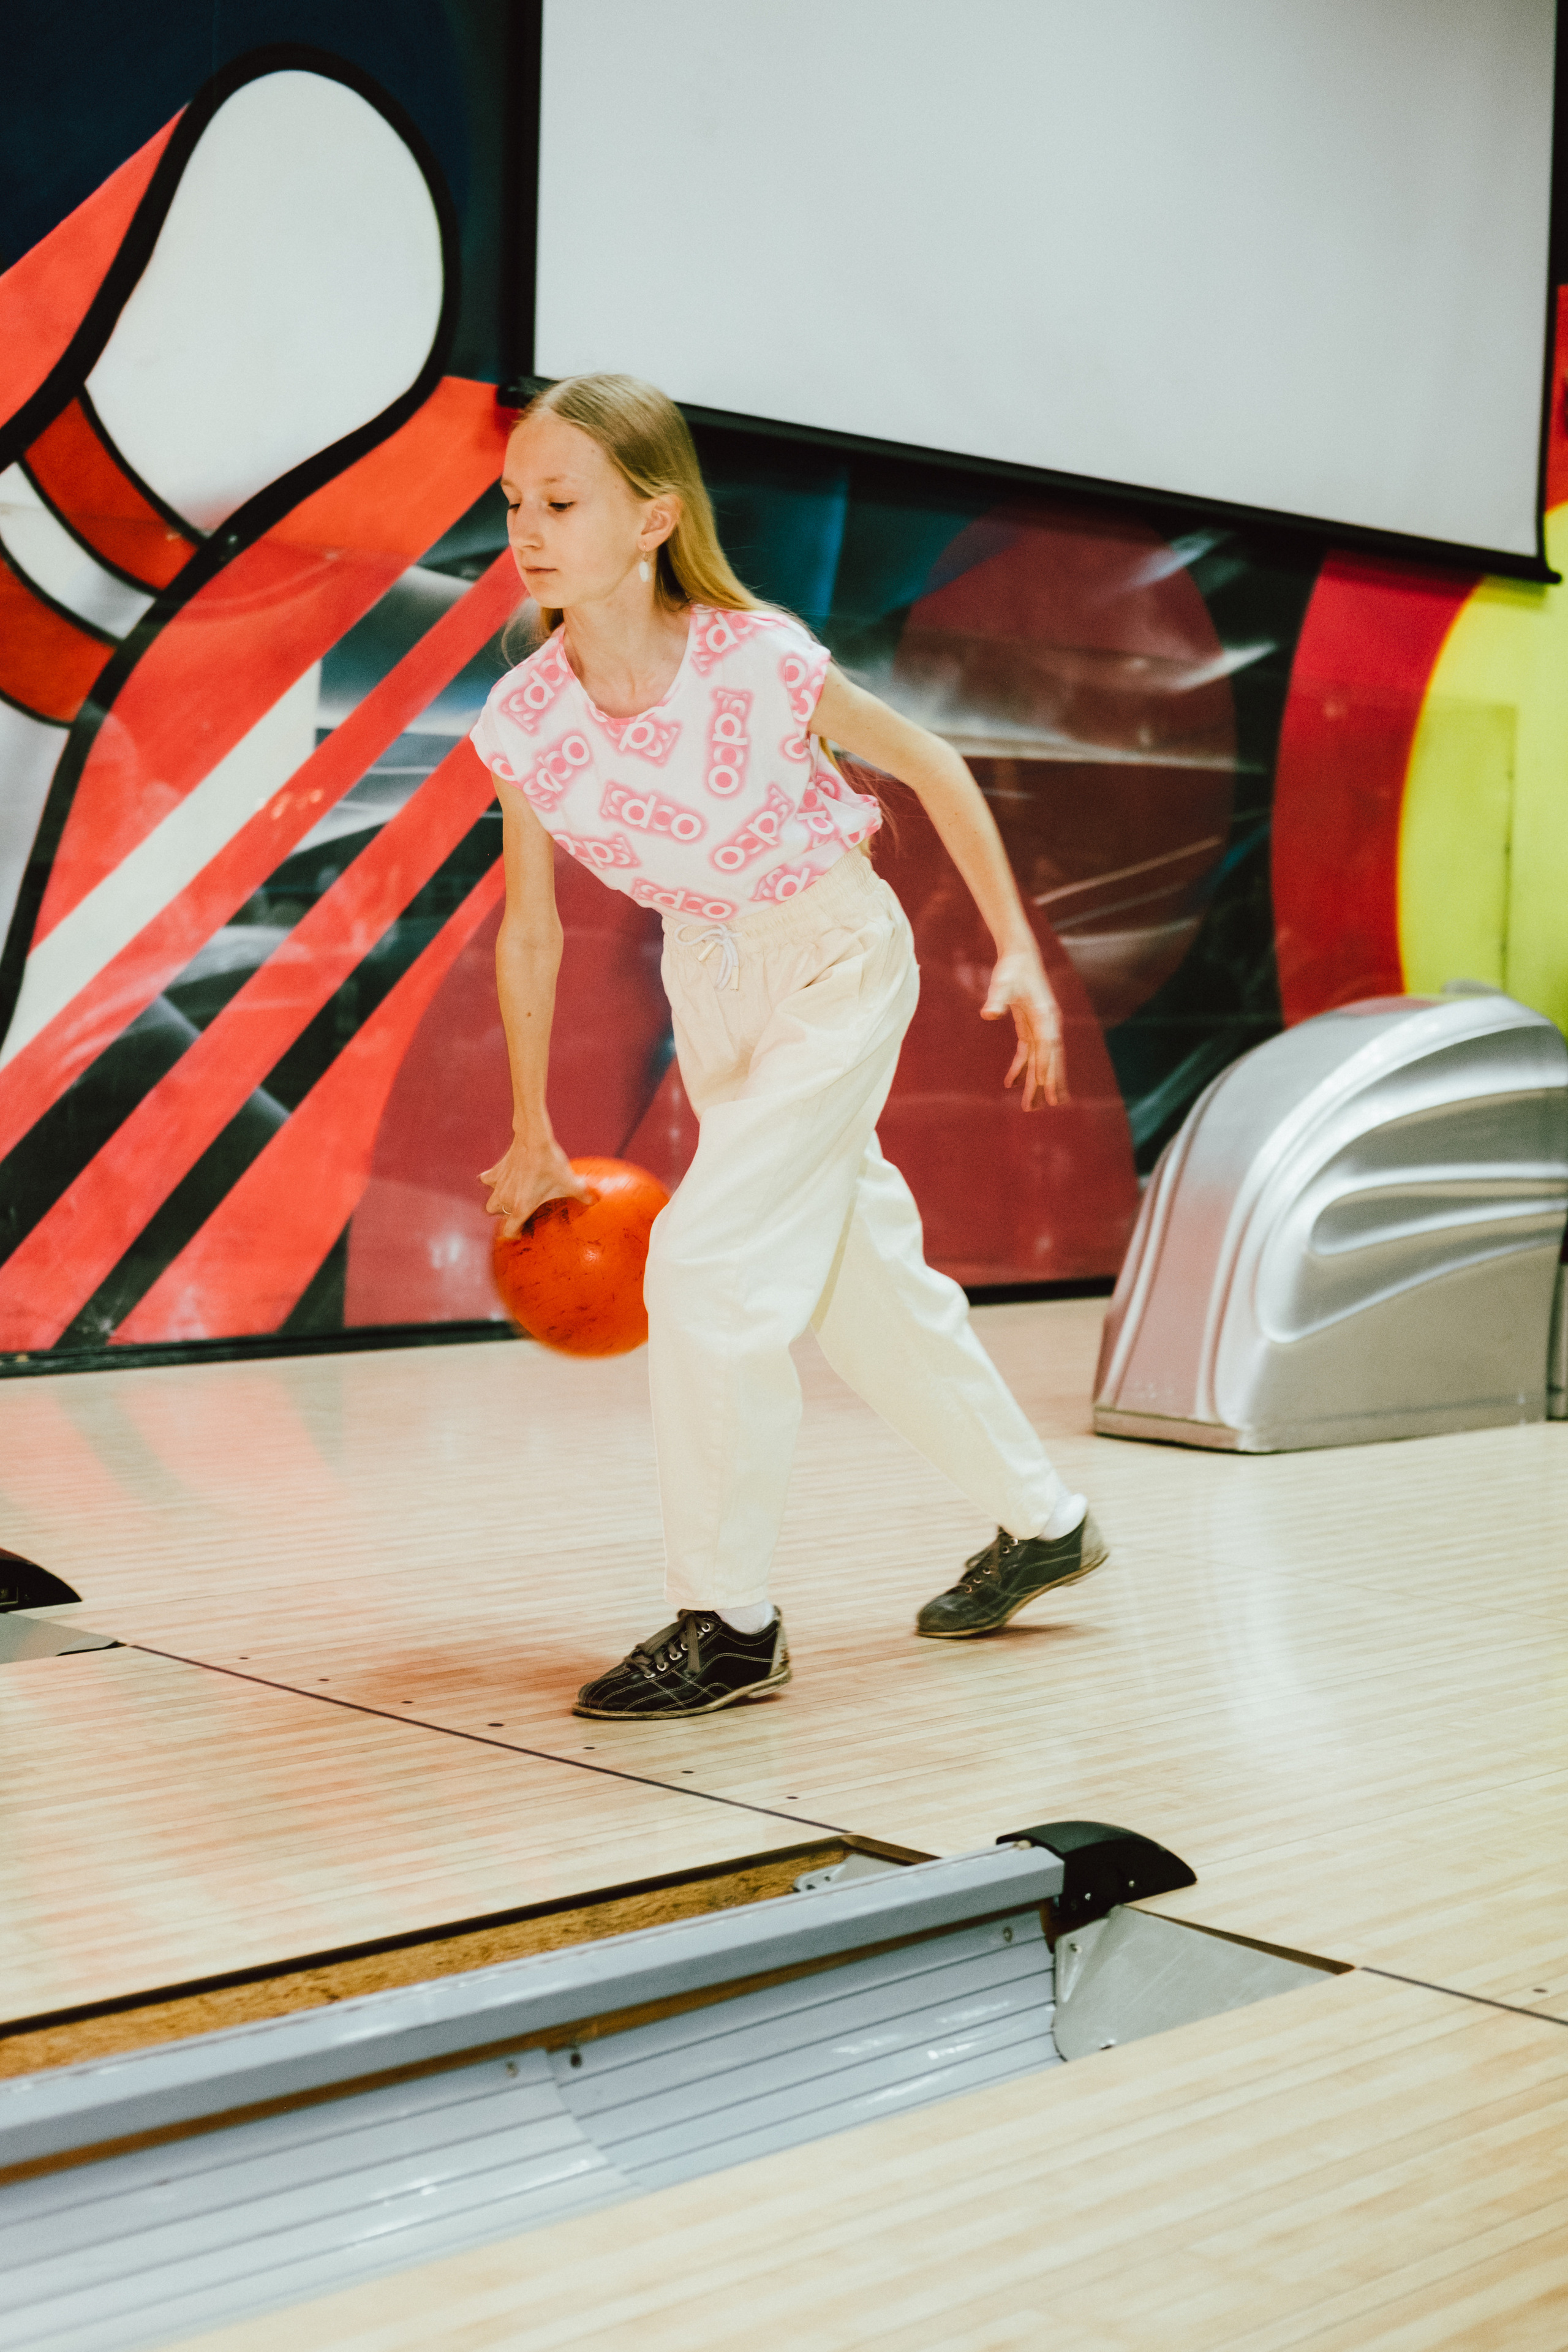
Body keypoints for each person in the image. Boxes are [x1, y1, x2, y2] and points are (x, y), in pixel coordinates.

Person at [471, 374, 1107, 1721]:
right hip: (712, 977)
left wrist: (1013, 956)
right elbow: (528, 934)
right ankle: (1041, 1521)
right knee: (854, 1279)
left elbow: (932, 764)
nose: (528, 525)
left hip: (832, 954)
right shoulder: (527, 715)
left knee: (704, 1265)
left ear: (651, 520)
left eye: (561, 500)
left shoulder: (752, 659)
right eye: (515, 500)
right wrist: (528, 1128)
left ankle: (728, 1622)